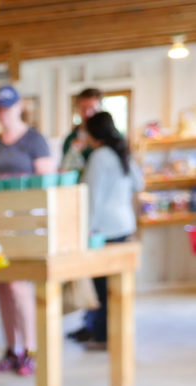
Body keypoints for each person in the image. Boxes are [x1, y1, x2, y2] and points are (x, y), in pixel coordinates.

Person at [0, 85, 56, 376]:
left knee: (19, 286)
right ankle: (11, 349)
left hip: (26, 223)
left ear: (19, 107)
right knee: (1, 284)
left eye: (8, 107)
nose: (4, 114)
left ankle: (30, 349)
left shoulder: (34, 140)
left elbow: (48, 180)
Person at [75, 111, 142, 349]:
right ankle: (117, 334)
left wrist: (86, 229)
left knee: (102, 289)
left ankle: (103, 336)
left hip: (104, 229)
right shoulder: (121, 152)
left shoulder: (99, 157)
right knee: (120, 287)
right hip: (124, 225)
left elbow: (91, 196)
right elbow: (139, 183)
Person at [60, 88, 103, 174]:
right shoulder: (70, 139)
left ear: (100, 108)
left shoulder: (112, 138)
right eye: (83, 109)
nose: (87, 113)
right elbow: (65, 169)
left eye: (92, 109)